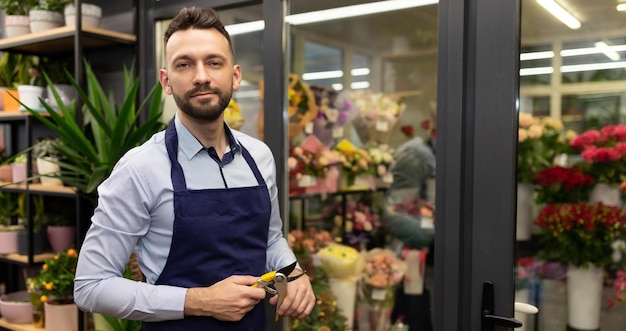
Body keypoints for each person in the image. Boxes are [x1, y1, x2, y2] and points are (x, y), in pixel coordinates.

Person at [73, 6, 315, 330]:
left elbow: (270, 239)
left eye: (214, 62)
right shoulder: (140, 169)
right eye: (184, 64)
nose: (201, 76)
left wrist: (294, 273)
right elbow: (90, 287)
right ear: (166, 81)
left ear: (236, 75)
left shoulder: (260, 157)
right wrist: (198, 301)